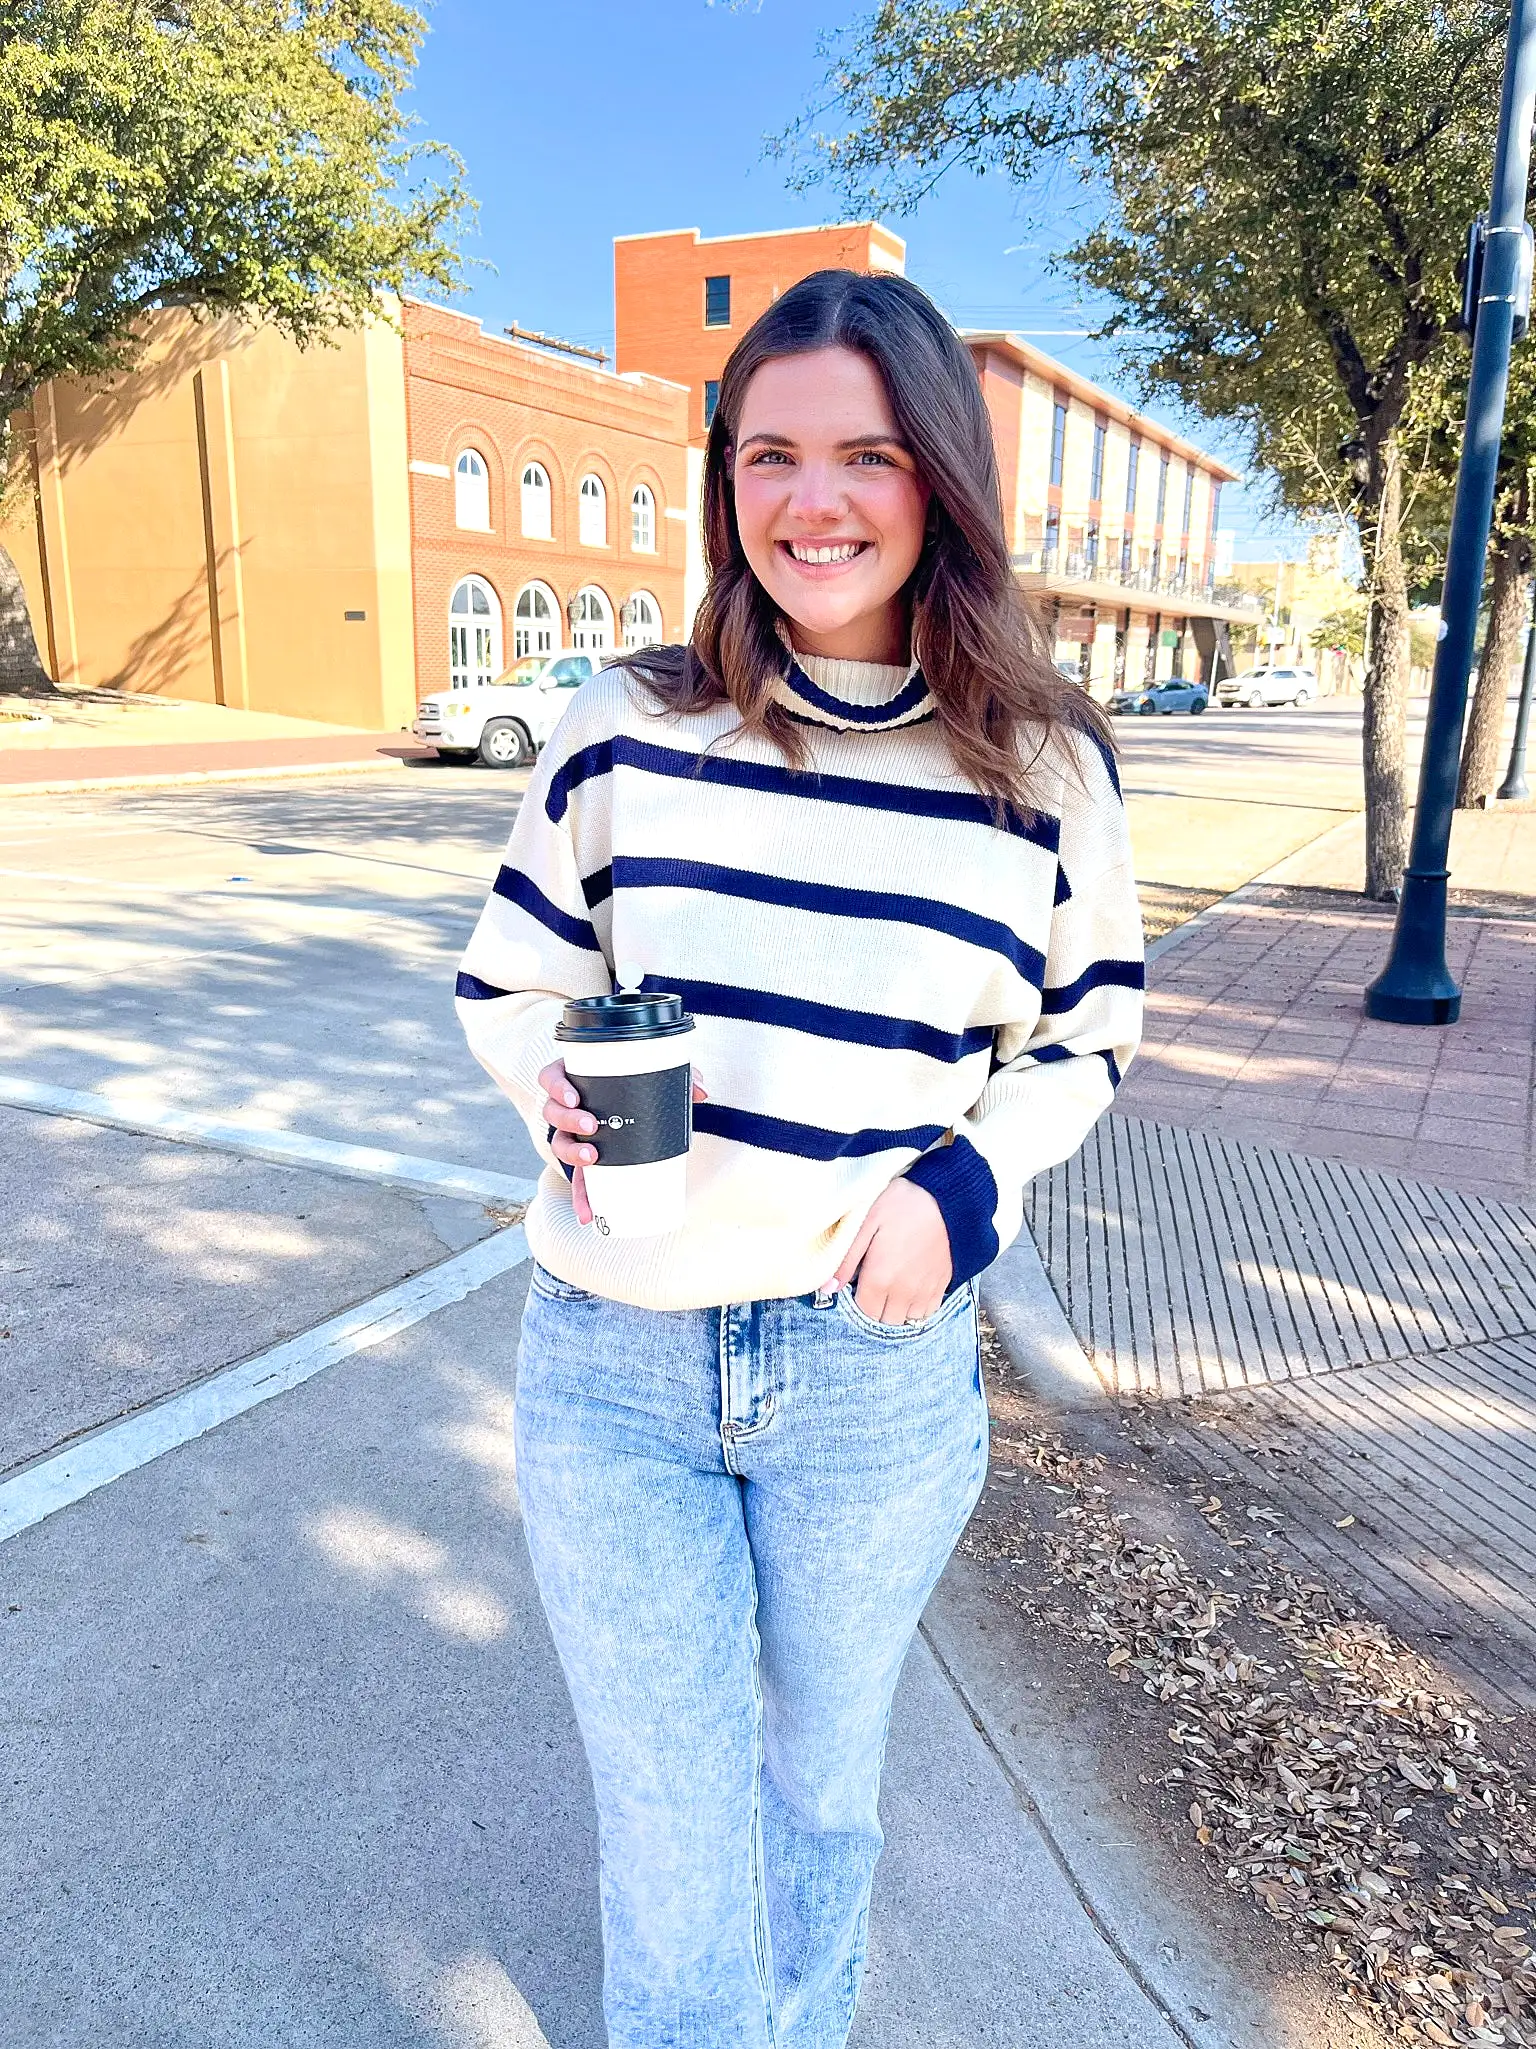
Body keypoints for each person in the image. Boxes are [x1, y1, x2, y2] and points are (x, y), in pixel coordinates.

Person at [455, 268, 1143, 2048]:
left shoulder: (1045, 770)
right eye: (768, 454)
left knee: (820, 1793)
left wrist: (958, 1193)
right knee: (676, 1834)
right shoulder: (625, 726)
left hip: (870, 1372)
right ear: (725, 481)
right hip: (615, 1357)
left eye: (865, 454)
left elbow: (1084, 1037)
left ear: (939, 483)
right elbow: (512, 976)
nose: (811, 501)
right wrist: (549, 1079)